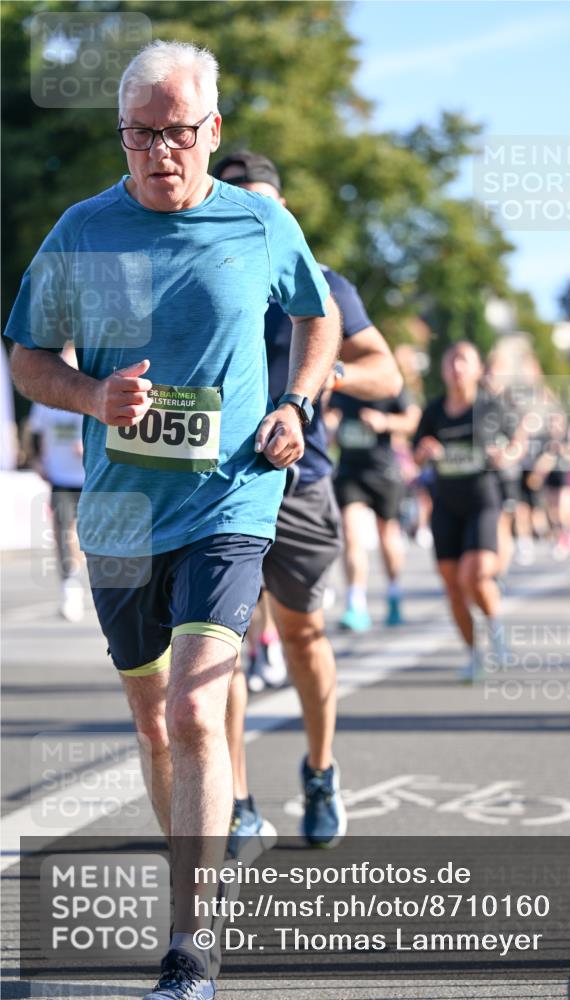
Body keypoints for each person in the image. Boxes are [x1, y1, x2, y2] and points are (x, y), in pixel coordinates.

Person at [6, 41, 340, 1000]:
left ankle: (190, 940)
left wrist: (296, 404)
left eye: (178, 134)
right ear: (123, 135)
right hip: (118, 515)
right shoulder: (81, 230)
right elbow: (29, 356)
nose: (160, 152)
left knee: (198, 707)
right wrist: (90, 393)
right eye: (141, 134)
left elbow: (315, 319)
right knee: (155, 724)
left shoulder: (260, 225)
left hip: (231, 496)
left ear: (214, 132)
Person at [211, 150, 402, 853]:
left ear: (284, 211)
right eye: (240, 206)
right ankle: (233, 800)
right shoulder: (194, 278)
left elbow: (387, 374)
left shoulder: (320, 283)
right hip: (214, 487)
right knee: (215, 649)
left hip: (300, 486)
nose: (256, 219)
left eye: (267, 205)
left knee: (300, 635)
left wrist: (329, 371)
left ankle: (320, 773)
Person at [413, 341, 519, 681]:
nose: (457, 367)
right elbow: (415, 455)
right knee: (453, 586)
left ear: (476, 369)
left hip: (482, 499)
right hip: (446, 503)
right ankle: (474, 654)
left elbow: (518, 439)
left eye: (464, 360)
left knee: (473, 575)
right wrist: (425, 451)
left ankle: (496, 629)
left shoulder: (490, 406)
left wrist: (508, 454)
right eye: (451, 360)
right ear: (443, 370)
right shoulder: (434, 411)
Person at [329, 390, 421, 630]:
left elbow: (413, 419)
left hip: (383, 472)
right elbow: (327, 415)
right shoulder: (342, 382)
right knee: (350, 534)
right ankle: (355, 604)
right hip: (350, 472)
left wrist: (385, 422)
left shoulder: (388, 380)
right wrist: (331, 426)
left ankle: (393, 592)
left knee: (387, 537)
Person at [27, 342, 86, 621]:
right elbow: (33, 432)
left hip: (91, 477)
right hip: (61, 477)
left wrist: (88, 447)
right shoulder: (47, 400)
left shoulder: (90, 390)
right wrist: (37, 460)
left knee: (86, 537)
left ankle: (95, 586)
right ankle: (69, 588)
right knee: (64, 533)